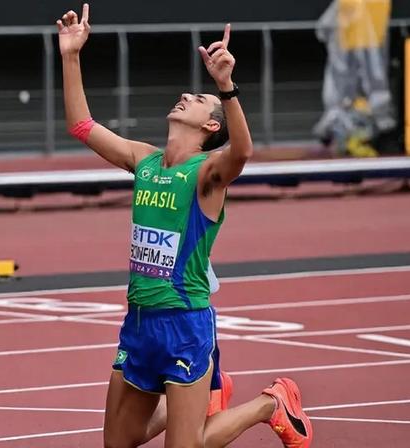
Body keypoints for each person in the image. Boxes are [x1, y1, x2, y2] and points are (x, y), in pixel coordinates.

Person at [56, 5, 313, 448]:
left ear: (211, 124)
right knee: (117, 442)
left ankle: (271, 403)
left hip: (185, 323)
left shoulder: (207, 174)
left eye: (197, 99)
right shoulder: (144, 160)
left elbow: (243, 153)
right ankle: (202, 401)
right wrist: (70, 56)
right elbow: (82, 125)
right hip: (138, 321)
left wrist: (226, 88)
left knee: (186, 447)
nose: (184, 96)